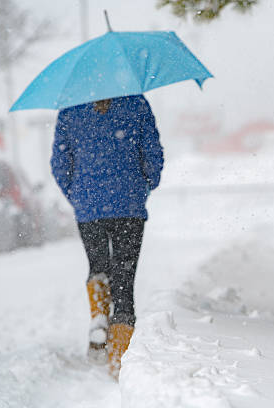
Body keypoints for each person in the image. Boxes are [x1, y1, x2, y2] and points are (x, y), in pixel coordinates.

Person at [51, 95, 163, 379]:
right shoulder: (136, 103)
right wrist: (145, 184)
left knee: (98, 265)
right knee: (124, 276)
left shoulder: (70, 110)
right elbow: (153, 154)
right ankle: (119, 361)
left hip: (89, 208)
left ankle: (99, 318)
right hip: (128, 205)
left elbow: (59, 163)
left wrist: (77, 195)